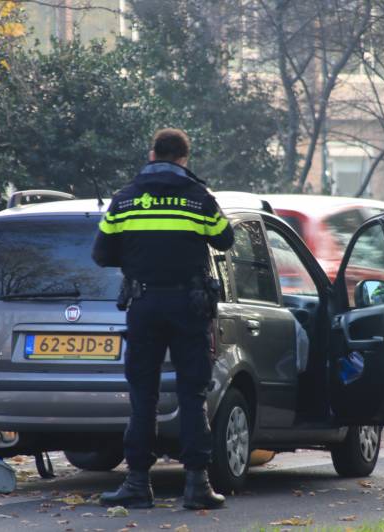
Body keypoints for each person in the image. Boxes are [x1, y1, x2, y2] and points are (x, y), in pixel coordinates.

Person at [92, 128, 234, 510]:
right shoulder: (200, 199)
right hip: (189, 307)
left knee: (143, 396)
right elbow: (225, 240)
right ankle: (197, 485)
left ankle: (138, 484)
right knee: (192, 394)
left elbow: (101, 254)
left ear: (152, 154)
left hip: (143, 304)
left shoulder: (123, 201)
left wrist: (140, 258)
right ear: (184, 159)